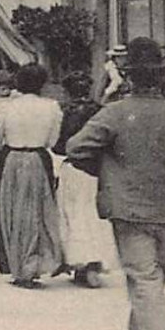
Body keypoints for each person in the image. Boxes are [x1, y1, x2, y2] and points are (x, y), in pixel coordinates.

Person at [67, 37, 165, 330]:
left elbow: (75, 149)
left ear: (129, 77)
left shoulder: (115, 114)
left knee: (143, 277)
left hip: (130, 210)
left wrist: (106, 168)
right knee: (155, 276)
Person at [0, 63, 64, 288]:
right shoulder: (52, 107)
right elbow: (52, 141)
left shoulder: (7, 107)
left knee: (13, 211)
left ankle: (19, 265)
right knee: (38, 212)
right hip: (38, 159)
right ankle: (34, 264)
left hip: (12, 158)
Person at [53, 71, 115, 287]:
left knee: (75, 215)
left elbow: (59, 146)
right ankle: (94, 262)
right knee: (95, 217)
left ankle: (79, 261)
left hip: (75, 168)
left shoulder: (66, 112)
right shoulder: (102, 111)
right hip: (99, 170)